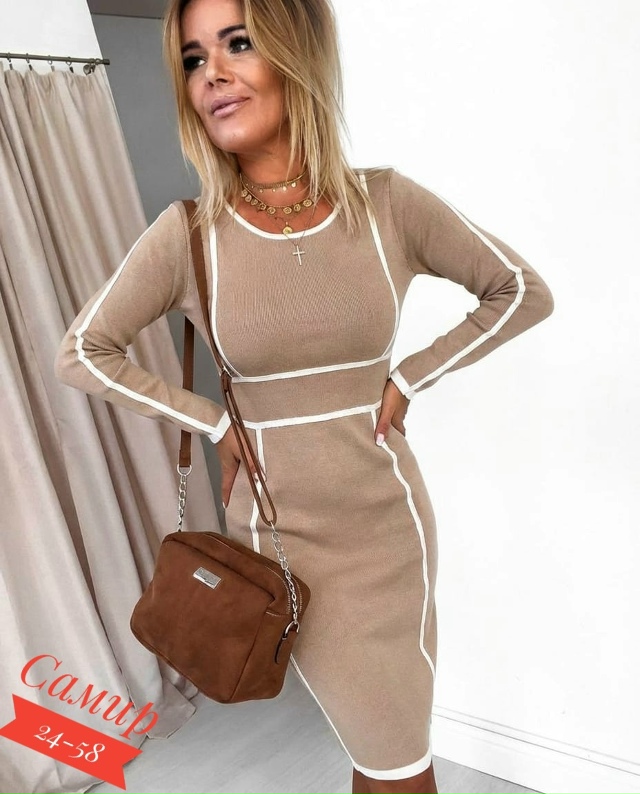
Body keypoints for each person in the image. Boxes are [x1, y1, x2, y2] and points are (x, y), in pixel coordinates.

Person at [55, 0, 554, 792]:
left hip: (389, 526)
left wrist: (409, 377)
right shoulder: (189, 233)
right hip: (282, 539)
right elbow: (83, 352)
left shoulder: (387, 203)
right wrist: (213, 422)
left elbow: (520, 291)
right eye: (193, 59)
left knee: (391, 751)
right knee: (391, 755)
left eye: (238, 44)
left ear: (297, 55)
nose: (211, 74)